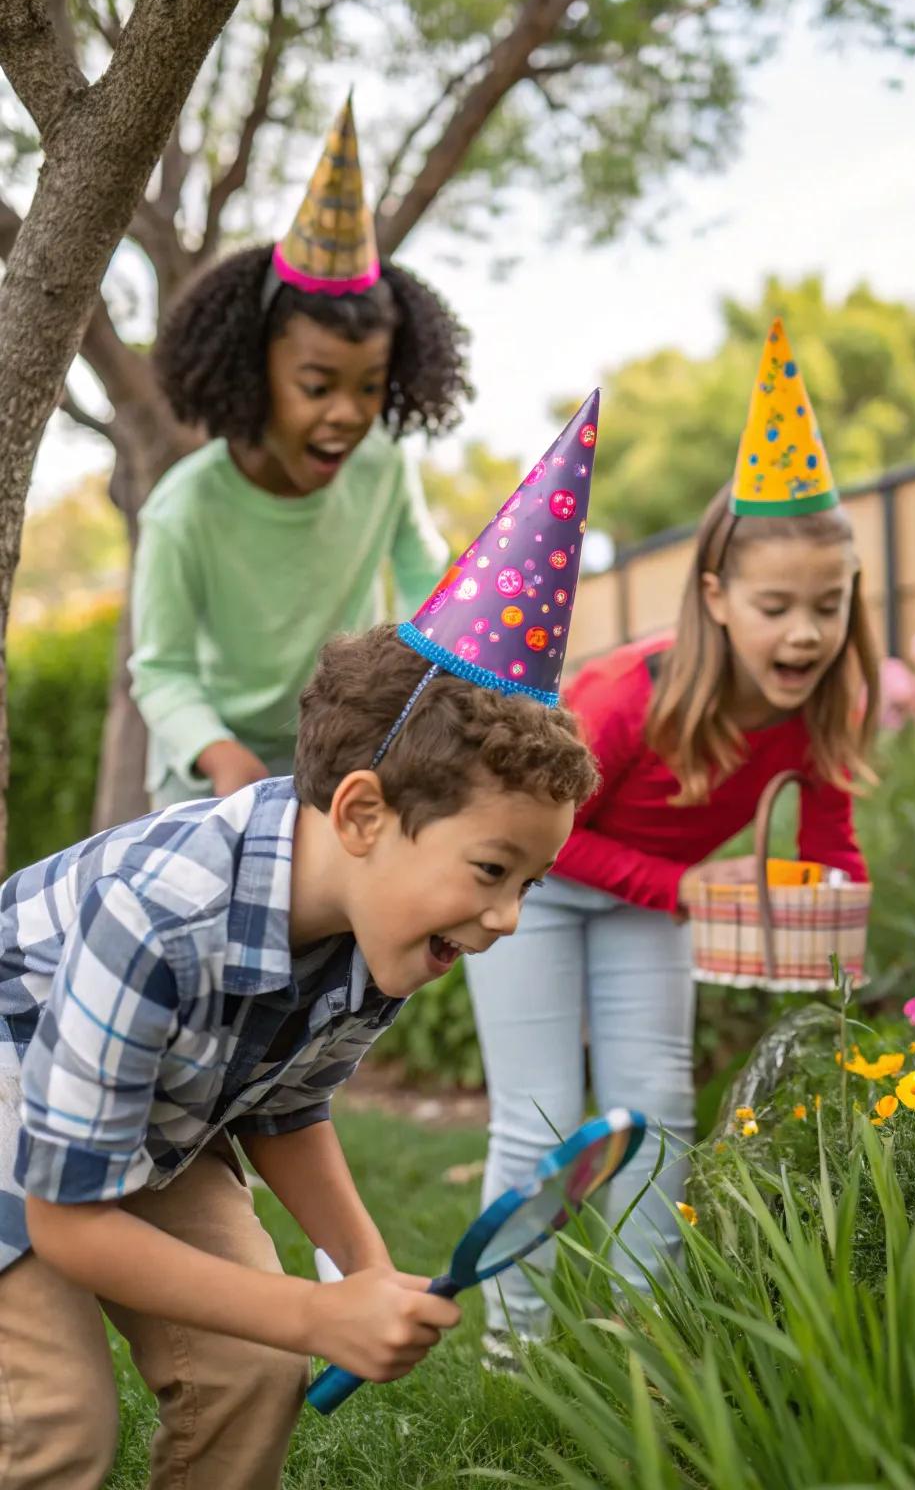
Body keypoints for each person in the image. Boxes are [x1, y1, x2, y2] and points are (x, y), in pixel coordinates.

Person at [0, 395, 602, 1490]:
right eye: (490, 871)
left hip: (143, 1123)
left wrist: (364, 1270)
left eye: (530, 883)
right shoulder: (160, 915)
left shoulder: (387, 923)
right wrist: (316, 1312)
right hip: (12, 1119)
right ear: (364, 813)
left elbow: (285, 1103)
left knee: (253, 1370)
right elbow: (70, 1221)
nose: (507, 916)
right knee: (55, 1420)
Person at [466, 319, 879, 1357]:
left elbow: (833, 845)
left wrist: (837, 942)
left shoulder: (824, 707)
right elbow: (533, 839)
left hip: (648, 900)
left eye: (827, 606)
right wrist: (689, 890)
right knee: (540, 1113)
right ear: (716, 597)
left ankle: (649, 1330)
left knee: (655, 1108)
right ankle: (515, 1346)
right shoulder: (627, 698)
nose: (805, 633)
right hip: (531, 885)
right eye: (776, 606)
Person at [131, 95, 470, 807]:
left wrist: (429, 672)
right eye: (317, 386)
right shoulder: (185, 508)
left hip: (340, 747)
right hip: (213, 771)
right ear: (257, 374)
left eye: (369, 387)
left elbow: (424, 577)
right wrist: (220, 754)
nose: (347, 414)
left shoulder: (383, 463)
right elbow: (161, 671)